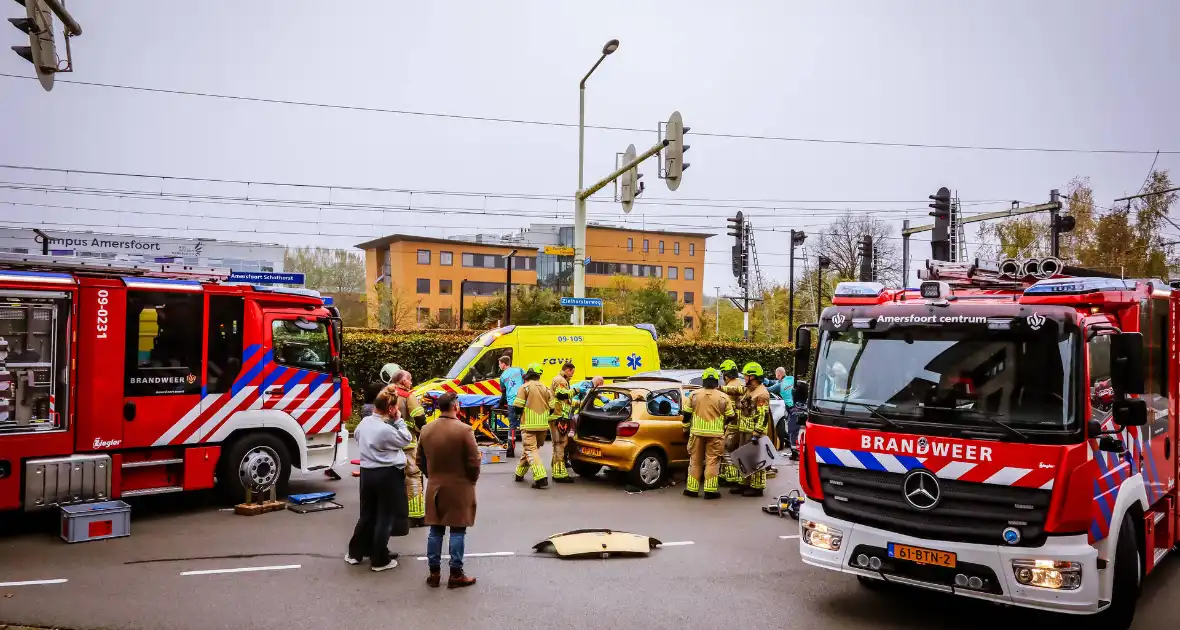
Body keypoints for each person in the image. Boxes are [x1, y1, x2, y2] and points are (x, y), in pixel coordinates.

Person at [418, 392, 480, 589]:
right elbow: (473, 461)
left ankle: (434, 573)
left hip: (435, 486)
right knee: (458, 529)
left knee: (435, 529)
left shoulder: (426, 430)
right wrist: (471, 479)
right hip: (460, 487)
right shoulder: (465, 430)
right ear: (456, 407)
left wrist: (432, 476)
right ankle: (456, 573)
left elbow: (420, 460)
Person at [347, 384, 412, 571]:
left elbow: (359, 438)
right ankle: (379, 558)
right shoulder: (385, 430)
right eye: (396, 407)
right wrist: (399, 421)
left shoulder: (364, 423)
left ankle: (355, 552)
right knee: (385, 517)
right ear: (391, 409)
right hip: (387, 474)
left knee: (367, 514)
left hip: (367, 473)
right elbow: (405, 439)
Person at [681, 368, 734, 500]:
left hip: (696, 433)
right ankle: (710, 491)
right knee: (712, 461)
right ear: (716, 381)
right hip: (716, 435)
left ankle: (691, 490)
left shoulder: (694, 395)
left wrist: (686, 429)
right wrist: (723, 423)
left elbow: (686, 415)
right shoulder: (723, 396)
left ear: (703, 381)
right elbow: (731, 415)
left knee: (695, 461)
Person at [729, 362, 772, 497]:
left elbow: (763, 416)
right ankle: (744, 483)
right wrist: (719, 388)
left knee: (756, 460)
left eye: (746, 376)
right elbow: (736, 390)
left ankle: (757, 487)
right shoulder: (749, 389)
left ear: (753, 377)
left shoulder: (761, 394)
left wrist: (757, 433)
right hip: (744, 430)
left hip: (754, 433)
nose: (744, 378)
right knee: (744, 458)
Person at [392, 370, 428, 527]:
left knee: (392, 478)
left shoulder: (384, 394)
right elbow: (419, 417)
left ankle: (394, 514)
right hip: (407, 444)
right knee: (413, 476)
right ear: (402, 381)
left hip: (387, 444)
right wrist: (423, 432)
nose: (411, 382)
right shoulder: (407, 396)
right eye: (409, 380)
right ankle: (416, 516)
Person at [512, 363, 552, 489]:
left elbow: (517, 407)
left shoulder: (525, 387)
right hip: (543, 426)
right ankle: (519, 473)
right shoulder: (546, 388)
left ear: (528, 377)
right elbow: (552, 407)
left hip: (528, 425)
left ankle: (540, 477)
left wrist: (518, 415)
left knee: (530, 450)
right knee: (530, 450)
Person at [548, 362, 576, 484]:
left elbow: (564, 399)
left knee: (557, 445)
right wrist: (576, 390)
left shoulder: (559, 379)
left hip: (558, 415)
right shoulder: (561, 380)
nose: (572, 375)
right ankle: (560, 474)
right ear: (567, 370)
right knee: (560, 444)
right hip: (559, 417)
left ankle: (556, 470)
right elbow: (561, 394)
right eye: (572, 373)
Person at [718, 359, 743, 485]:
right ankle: (735, 476)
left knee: (727, 451)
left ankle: (732, 478)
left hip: (732, 425)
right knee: (737, 451)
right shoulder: (740, 383)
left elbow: (727, 411)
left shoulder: (727, 388)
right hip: (742, 426)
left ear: (726, 374)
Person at [498, 356, 524, 456]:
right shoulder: (519, 370)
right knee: (524, 425)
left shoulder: (503, 377)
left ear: (504, 364)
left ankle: (511, 450)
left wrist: (500, 404)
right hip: (522, 400)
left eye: (500, 363)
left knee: (512, 426)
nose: (499, 366)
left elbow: (503, 393)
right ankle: (529, 448)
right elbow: (527, 381)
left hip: (512, 403)